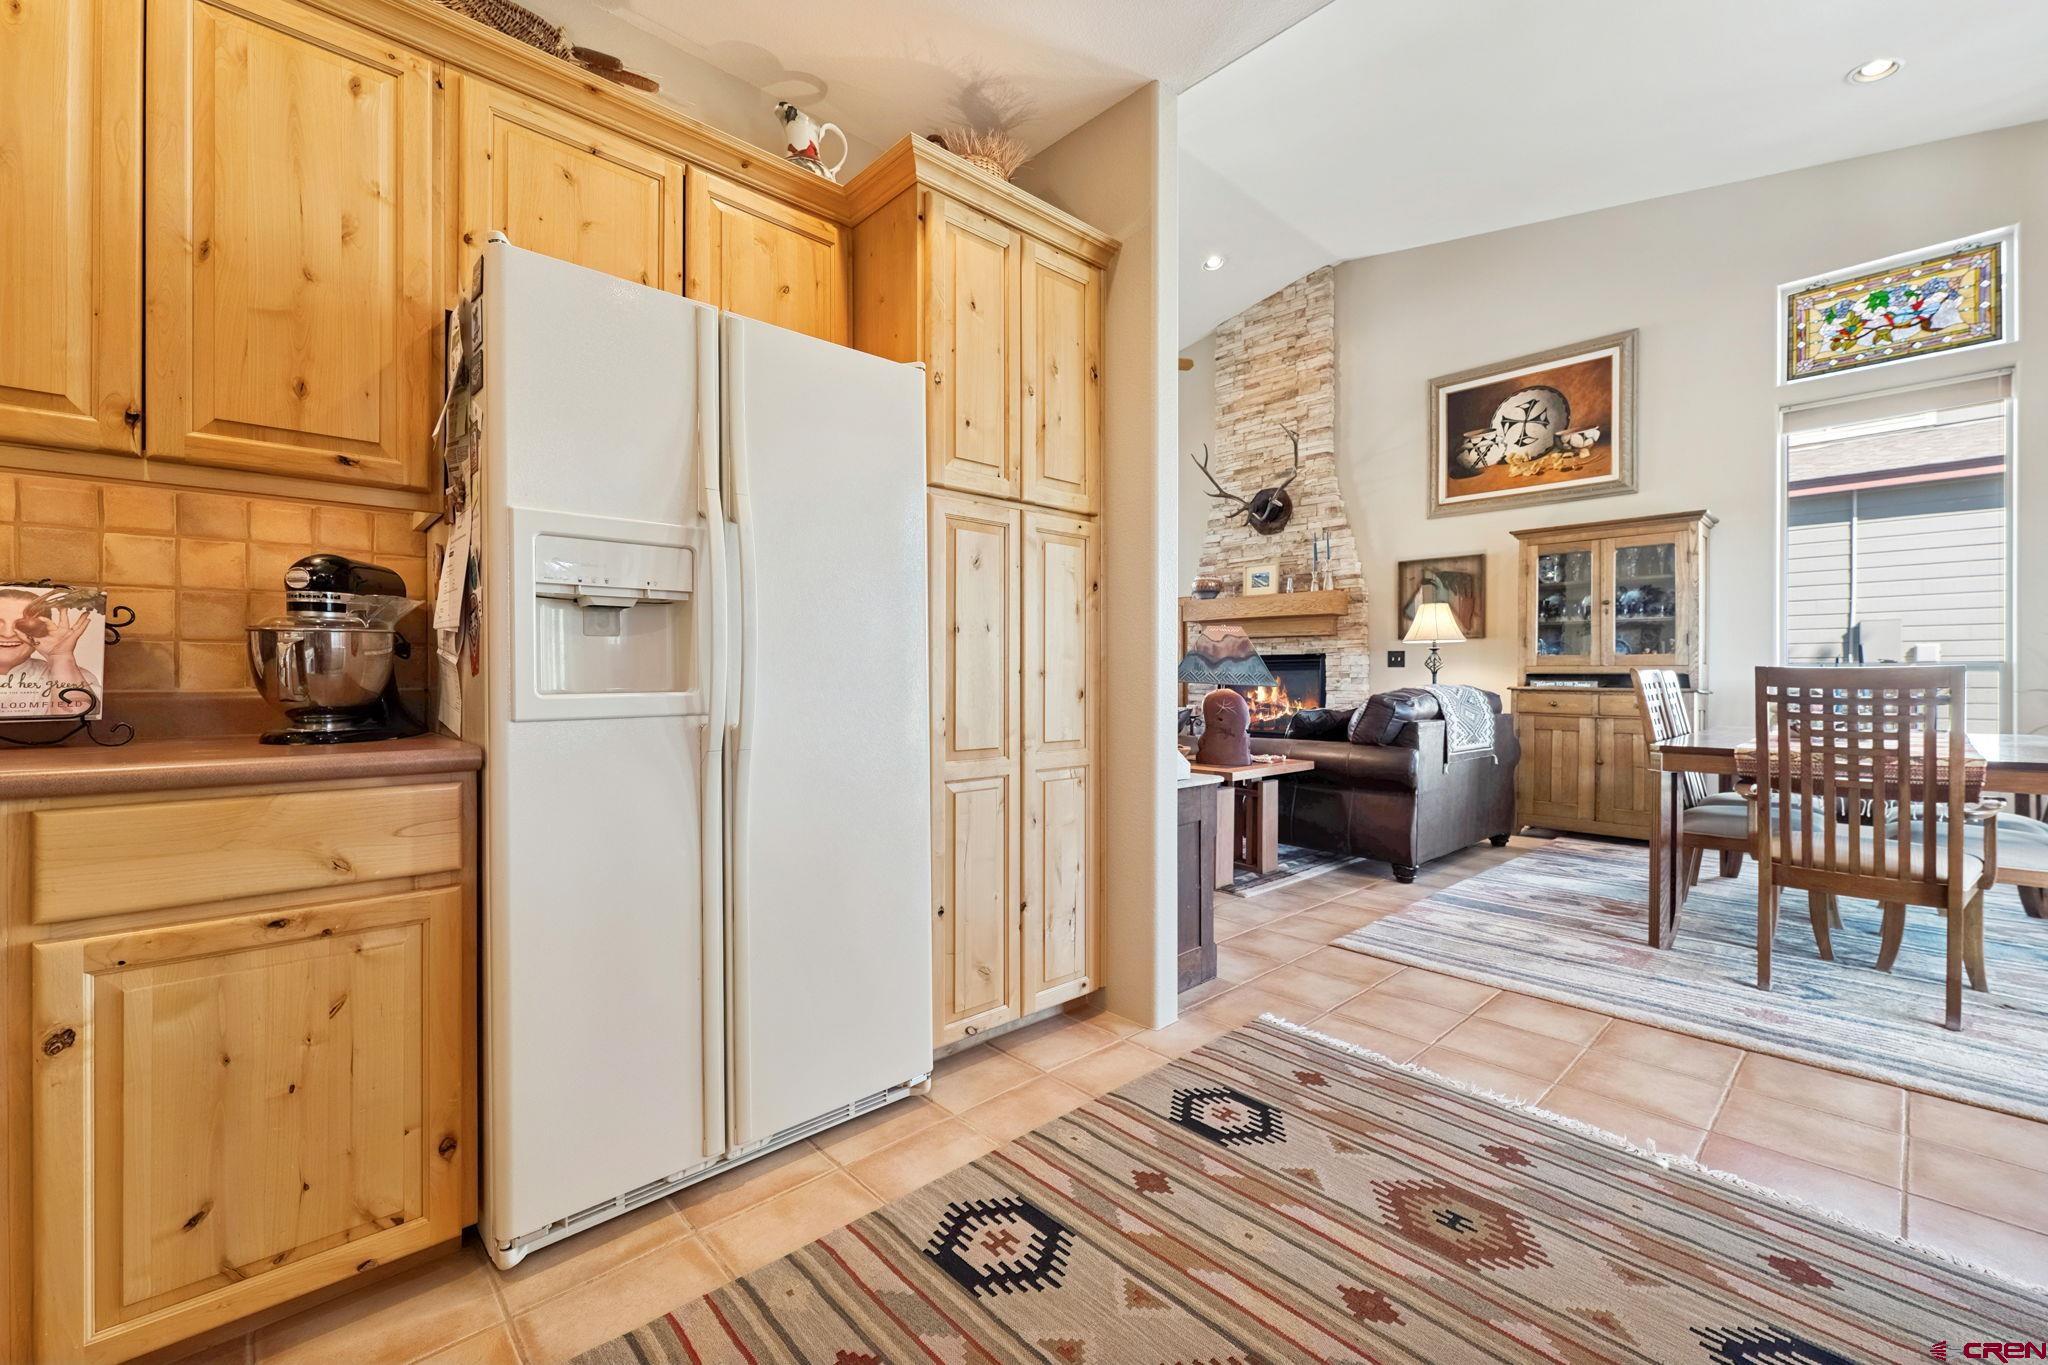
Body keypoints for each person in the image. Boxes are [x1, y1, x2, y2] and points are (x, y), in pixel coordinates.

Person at [0, 589, 100, 717]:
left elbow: (77, 720)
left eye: (20, 625)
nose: (7, 634)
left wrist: (60, 657)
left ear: (42, 630)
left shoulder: (78, 677)